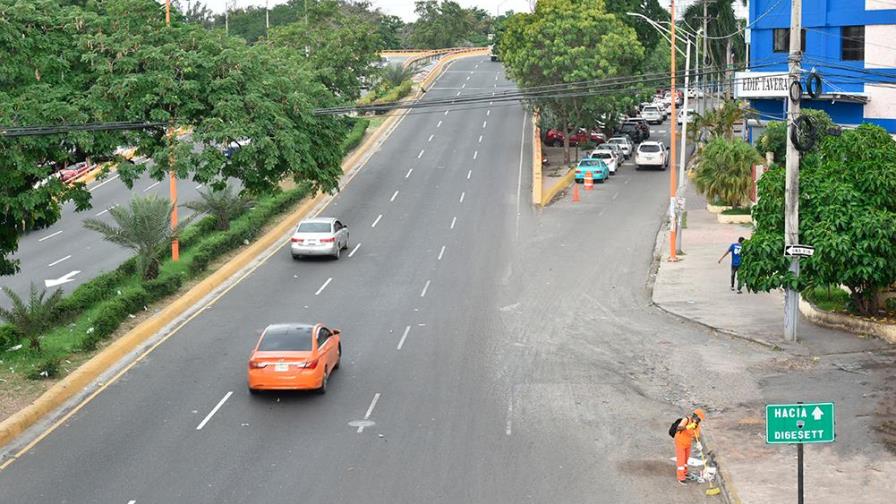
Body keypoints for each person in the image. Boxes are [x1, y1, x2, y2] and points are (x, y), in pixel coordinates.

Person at [674, 408, 705, 485]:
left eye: (699, 420)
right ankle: (681, 478)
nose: (698, 421)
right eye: (698, 419)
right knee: (681, 460)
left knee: (686, 459)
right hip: (680, 442)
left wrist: (699, 444)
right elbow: (679, 428)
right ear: (695, 416)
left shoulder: (696, 426)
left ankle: (684, 472)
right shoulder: (686, 420)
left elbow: (696, 436)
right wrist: (688, 426)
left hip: (688, 443)